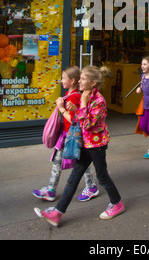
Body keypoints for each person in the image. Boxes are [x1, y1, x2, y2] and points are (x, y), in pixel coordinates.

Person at [34, 65, 124, 227]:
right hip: (86, 144)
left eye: (83, 79)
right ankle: (57, 213)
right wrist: (78, 107)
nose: (80, 82)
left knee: (102, 176)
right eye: (80, 78)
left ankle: (117, 203)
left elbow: (87, 124)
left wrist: (80, 104)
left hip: (96, 146)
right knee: (73, 178)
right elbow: (82, 118)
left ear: (93, 82)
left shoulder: (99, 101)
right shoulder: (87, 96)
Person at [32, 66, 99, 203]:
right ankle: (51, 189)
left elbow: (75, 119)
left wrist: (61, 108)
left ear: (72, 81)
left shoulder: (74, 97)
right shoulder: (70, 95)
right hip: (68, 135)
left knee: (80, 162)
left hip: (73, 136)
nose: (61, 81)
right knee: (62, 160)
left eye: (64, 78)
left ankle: (90, 186)